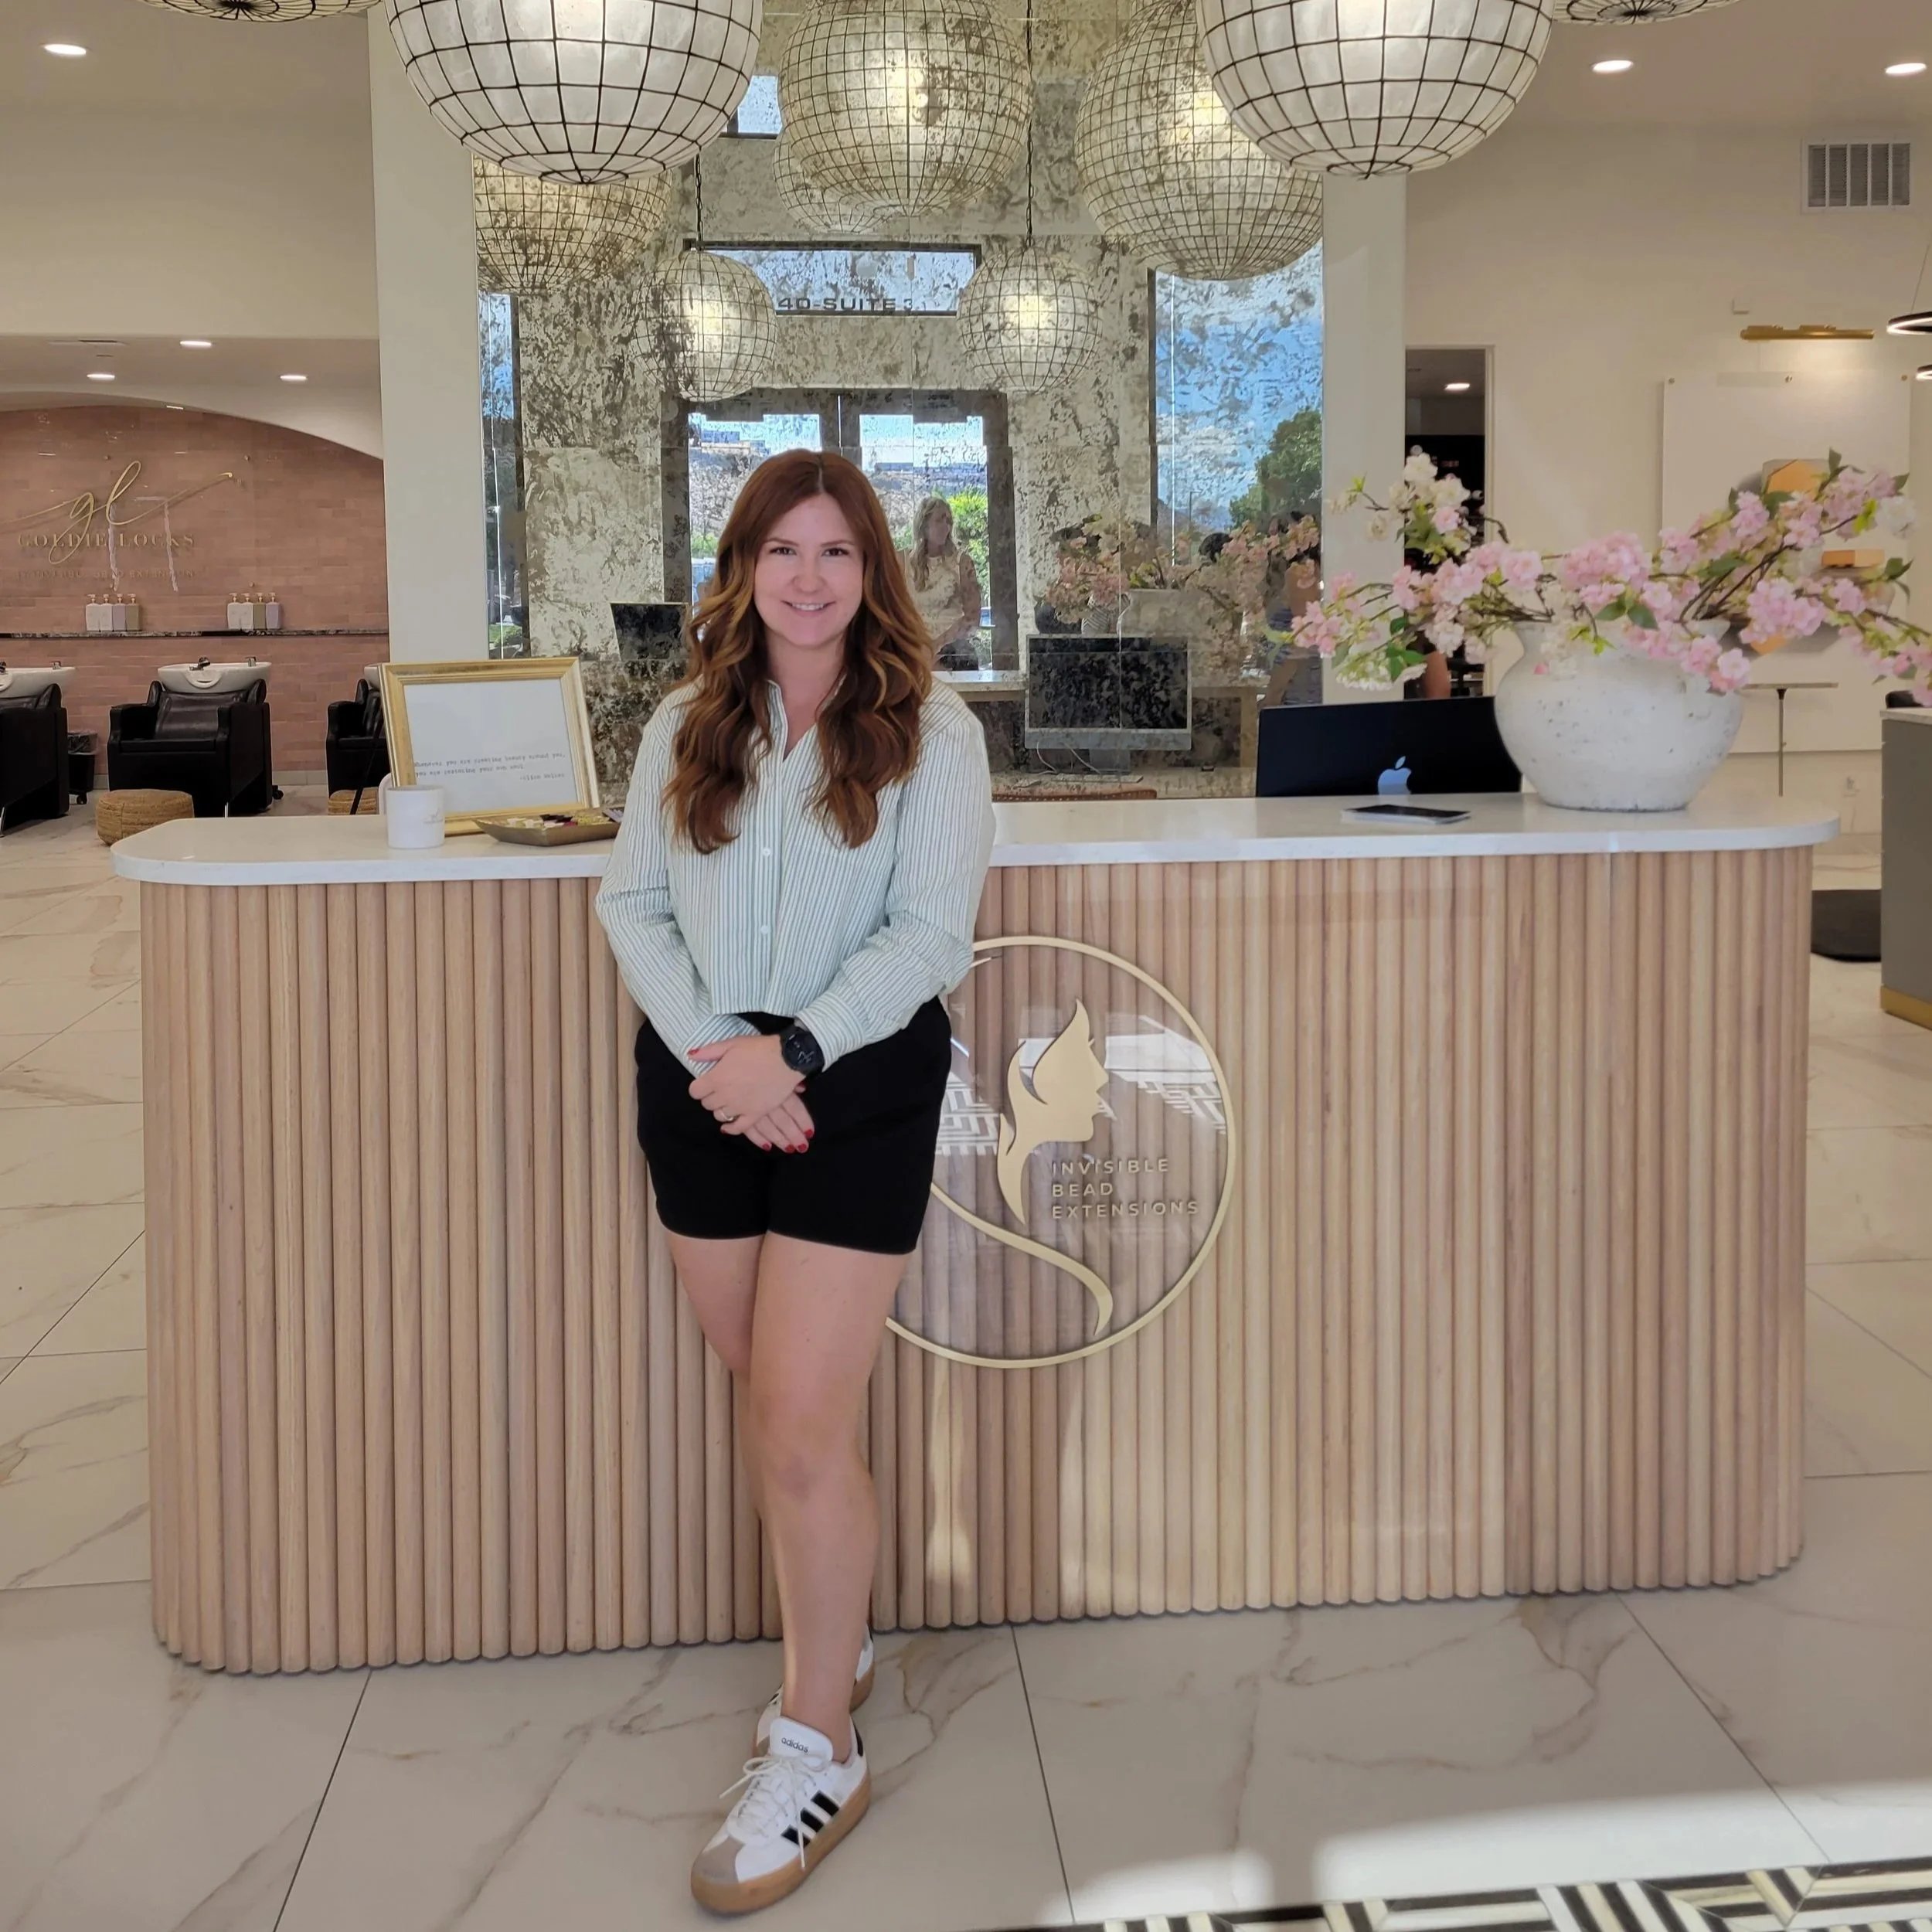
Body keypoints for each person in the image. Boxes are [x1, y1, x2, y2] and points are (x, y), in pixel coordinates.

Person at [595, 449, 995, 1915]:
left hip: (859, 1081)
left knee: (804, 1420)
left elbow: (931, 936)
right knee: (767, 1392)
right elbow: (632, 899)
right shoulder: (685, 722)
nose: (809, 578)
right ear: (744, 569)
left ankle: (819, 1739)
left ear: (871, 569)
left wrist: (798, 1054)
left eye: (835, 552)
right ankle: (841, 1636)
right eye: (782, 552)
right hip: (705, 1085)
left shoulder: (932, 731)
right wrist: (723, 1056)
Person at [899, 494, 983, 668]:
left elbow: (973, 618)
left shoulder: (962, 562)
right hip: (912, 647)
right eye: (939, 520)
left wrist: (938, 646)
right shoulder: (901, 561)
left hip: (951, 649)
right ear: (924, 525)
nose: (946, 526)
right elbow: (891, 610)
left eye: (949, 521)